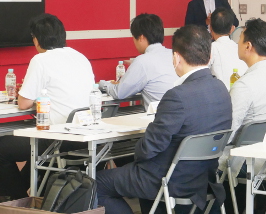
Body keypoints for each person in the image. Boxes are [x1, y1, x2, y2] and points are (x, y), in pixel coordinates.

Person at [96, 25, 232, 214]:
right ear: (209, 57)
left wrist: (134, 152)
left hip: (167, 179)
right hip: (202, 178)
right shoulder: (222, 89)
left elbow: (148, 148)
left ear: (176, 58)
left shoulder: (177, 95)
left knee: (95, 185)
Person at [0, 14, 95, 212]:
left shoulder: (41, 60)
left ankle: (15, 202)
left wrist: (26, 93)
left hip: (56, 137)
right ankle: (17, 201)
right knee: (34, 149)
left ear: (36, 39)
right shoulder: (80, 56)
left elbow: (24, 103)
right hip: (85, 135)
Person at [219, 18, 266, 214]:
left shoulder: (244, 85)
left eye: (240, 39)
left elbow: (228, 133)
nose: (237, 43)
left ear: (248, 46)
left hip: (248, 161)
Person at [99, 13, 177, 110]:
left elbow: (119, 92)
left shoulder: (143, 61)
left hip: (161, 118)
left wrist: (101, 84)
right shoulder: (174, 54)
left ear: (141, 38)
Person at [208, 7, 247, 89]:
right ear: (232, 29)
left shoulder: (210, 48)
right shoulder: (240, 49)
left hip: (220, 96)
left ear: (210, 27)